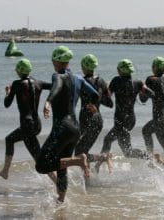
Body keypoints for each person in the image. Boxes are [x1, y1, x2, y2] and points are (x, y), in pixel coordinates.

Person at [35, 46, 99, 203]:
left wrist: (48, 102)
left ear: (57, 60)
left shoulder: (57, 75)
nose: (52, 62)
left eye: (53, 60)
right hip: (74, 128)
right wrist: (92, 105)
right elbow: (96, 94)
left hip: (62, 127)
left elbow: (57, 86)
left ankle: (78, 160)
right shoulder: (78, 78)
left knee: (42, 165)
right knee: (62, 168)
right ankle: (61, 201)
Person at [95, 59, 162, 173]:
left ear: (120, 70)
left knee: (114, 144)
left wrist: (101, 90)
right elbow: (152, 93)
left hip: (120, 120)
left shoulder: (116, 81)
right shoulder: (138, 82)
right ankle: (150, 157)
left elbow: (108, 97)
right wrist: (140, 95)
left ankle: (98, 166)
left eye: (118, 69)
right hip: (131, 120)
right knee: (125, 149)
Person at [0, 59, 55, 181]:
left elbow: (7, 104)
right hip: (37, 125)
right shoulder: (39, 83)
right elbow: (55, 86)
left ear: (19, 71)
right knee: (39, 159)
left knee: (9, 139)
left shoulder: (17, 84)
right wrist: (49, 102)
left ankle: (5, 171)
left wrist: (8, 92)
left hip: (27, 125)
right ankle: (58, 182)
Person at [73, 54, 113, 170]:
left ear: (84, 66)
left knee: (79, 153)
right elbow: (110, 104)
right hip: (98, 120)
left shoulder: (82, 81)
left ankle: (103, 157)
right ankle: (88, 180)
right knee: (83, 152)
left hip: (87, 119)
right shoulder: (101, 81)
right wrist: (101, 94)